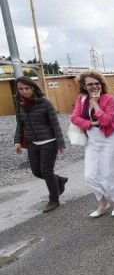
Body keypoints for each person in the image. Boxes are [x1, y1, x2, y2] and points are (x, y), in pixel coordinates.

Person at [71, 70, 114, 217]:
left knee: (109, 174)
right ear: (84, 86)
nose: (94, 86)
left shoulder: (108, 99)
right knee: (90, 175)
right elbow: (74, 118)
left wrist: (96, 106)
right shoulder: (81, 99)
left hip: (110, 140)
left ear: (101, 84)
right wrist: (91, 123)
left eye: (96, 83)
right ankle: (103, 201)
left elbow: (107, 121)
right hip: (92, 141)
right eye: (90, 84)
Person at [13, 76, 67, 213]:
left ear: (33, 88)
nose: (24, 91)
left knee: (46, 171)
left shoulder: (45, 103)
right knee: (37, 172)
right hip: (33, 143)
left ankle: (54, 199)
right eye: (21, 89)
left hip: (49, 142)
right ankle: (59, 180)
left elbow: (55, 125)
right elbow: (20, 124)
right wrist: (17, 141)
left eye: (27, 88)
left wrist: (60, 143)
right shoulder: (20, 104)